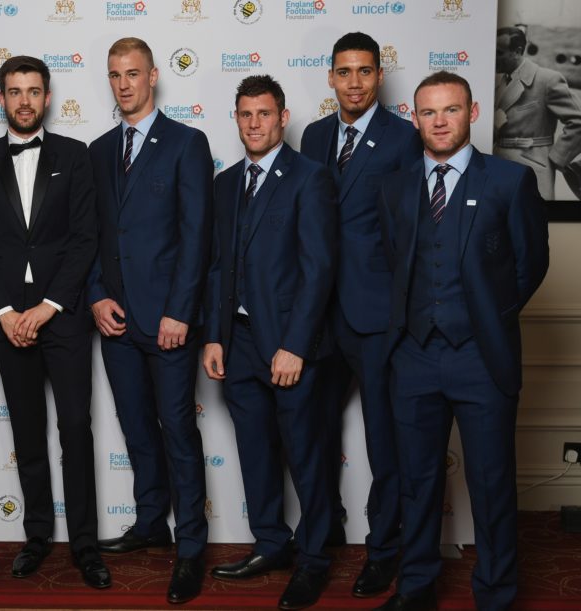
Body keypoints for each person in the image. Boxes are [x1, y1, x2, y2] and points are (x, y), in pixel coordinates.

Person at [376, 71, 548, 611]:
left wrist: (487, 319)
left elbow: (531, 264)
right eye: (429, 112)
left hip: (482, 359)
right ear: (415, 119)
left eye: (450, 110)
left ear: (472, 113)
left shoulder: (509, 181)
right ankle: (417, 586)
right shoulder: (395, 186)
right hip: (414, 356)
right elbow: (394, 262)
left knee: (492, 485)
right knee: (417, 482)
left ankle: (495, 595)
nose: (440, 121)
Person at [0, 55, 109, 589]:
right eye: (14, 91)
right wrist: (4, 312)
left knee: (75, 428)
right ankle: (38, 536)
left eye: (33, 91)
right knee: (27, 434)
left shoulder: (75, 156)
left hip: (63, 318)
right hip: (8, 322)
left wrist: (48, 306)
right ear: (2, 98)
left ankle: (86, 545)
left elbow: (84, 238)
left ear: (47, 98)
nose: (24, 100)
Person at [203, 75, 337, 611]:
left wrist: (296, 344)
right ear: (235, 119)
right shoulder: (226, 182)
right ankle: (270, 543)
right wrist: (213, 336)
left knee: (306, 456)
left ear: (282, 117)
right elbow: (217, 267)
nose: (254, 123)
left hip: (288, 345)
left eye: (264, 114)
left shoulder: (310, 178)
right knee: (256, 453)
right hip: (236, 342)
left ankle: (314, 560)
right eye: (245, 114)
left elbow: (318, 268)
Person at [87, 37, 213, 604]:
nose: (123, 84)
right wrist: (93, 297)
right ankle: (148, 525)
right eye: (115, 74)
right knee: (137, 430)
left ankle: (191, 548)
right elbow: (89, 236)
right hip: (115, 321)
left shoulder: (187, 143)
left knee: (178, 434)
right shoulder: (98, 149)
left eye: (132, 74)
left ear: (153, 76)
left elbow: (197, 237)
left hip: (168, 322)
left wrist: (180, 312)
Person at [299, 31, 421, 599]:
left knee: (384, 439)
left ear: (379, 75)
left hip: (374, 316)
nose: (354, 82)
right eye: (344, 72)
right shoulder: (315, 135)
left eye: (365, 72)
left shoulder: (403, 139)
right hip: (316, 314)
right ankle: (319, 540)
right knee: (312, 432)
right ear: (330, 77)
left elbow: (413, 234)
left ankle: (384, 549)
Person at [495, 26, 581, 200]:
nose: (494, 58)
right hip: (498, 165)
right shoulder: (498, 81)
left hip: (532, 167)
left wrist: (557, 158)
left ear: (517, 51)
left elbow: (578, 121)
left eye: (499, 53)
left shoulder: (546, 80)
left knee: (533, 223)